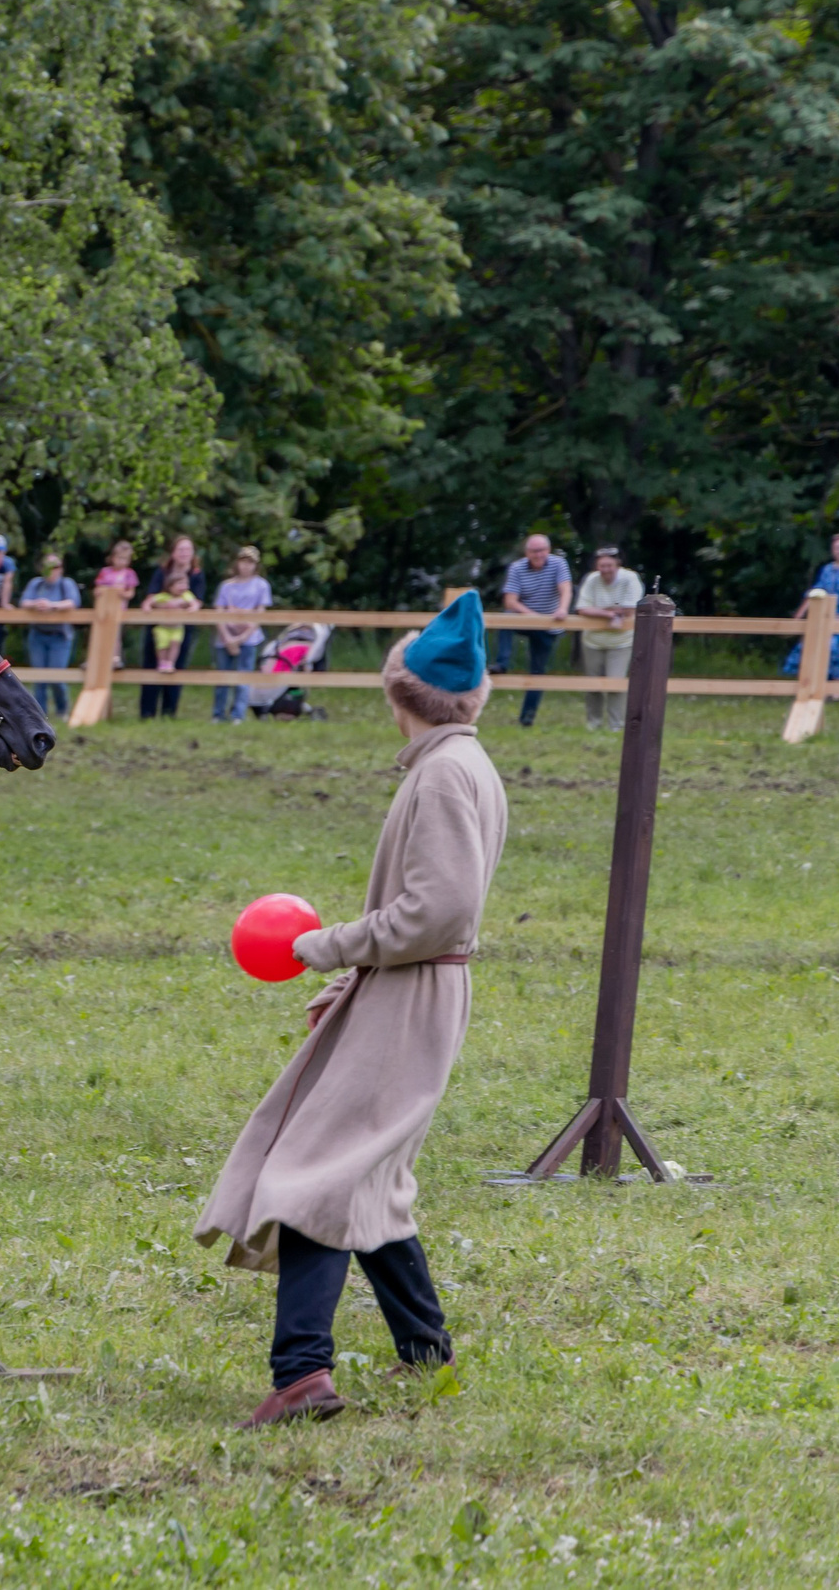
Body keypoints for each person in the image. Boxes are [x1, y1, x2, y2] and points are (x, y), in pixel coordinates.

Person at [196, 591, 507, 1428]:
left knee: (315, 1173)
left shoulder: (444, 772)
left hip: (418, 993)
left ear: (396, 693)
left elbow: (437, 910)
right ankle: (426, 1350)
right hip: (406, 989)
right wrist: (353, 982)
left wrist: (326, 946)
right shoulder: (459, 761)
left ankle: (301, 1372)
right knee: (368, 1169)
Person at [495, 533, 571, 727]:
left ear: (548, 550)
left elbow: (565, 589)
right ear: (527, 552)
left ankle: (527, 717)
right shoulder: (517, 567)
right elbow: (510, 601)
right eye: (534, 551)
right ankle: (502, 663)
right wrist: (531, 616)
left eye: (542, 550)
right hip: (526, 617)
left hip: (549, 624)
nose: (538, 555)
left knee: (537, 671)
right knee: (505, 619)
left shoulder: (558, 564)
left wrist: (562, 609)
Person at [782, 533, 839, 685]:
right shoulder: (827, 570)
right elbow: (815, 593)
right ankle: (809, 684)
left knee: (835, 647)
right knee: (806, 645)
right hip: (825, 617)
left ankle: (837, 686)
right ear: (832, 550)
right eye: (837, 548)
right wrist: (798, 616)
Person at [572, 546, 644, 731]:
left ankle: (616, 725)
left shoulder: (630, 579)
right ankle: (593, 723)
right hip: (592, 641)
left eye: (609, 565)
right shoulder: (591, 579)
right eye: (601, 565)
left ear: (617, 564)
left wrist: (599, 611)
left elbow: (630, 610)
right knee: (592, 685)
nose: (605, 569)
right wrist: (611, 613)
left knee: (615, 683)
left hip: (621, 641)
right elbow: (582, 609)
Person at [140, 535, 207, 718]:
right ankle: (147, 713)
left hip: (181, 628)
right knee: (151, 666)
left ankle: (169, 713)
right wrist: (169, 605)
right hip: (158, 626)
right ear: (173, 552)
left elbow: (197, 602)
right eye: (181, 549)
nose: (184, 553)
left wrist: (182, 606)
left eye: (188, 550)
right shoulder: (162, 572)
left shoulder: (196, 574)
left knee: (176, 666)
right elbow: (150, 599)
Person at [211, 547, 273, 724]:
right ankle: (218, 713)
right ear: (236, 563)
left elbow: (259, 615)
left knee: (243, 677)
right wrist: (227, 638)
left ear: (256, 565)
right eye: (243, 561)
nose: (246, 566)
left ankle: (238, 714)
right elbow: (219, 613)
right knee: (222, 677)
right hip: (224, 637)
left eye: (250, 562)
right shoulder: (226, 586)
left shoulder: (261, 585)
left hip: (249, 638)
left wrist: (241, 638)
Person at [18, 551, 80, 717]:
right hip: (37, 635)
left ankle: (62, 710)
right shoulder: (36, 584)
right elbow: (24, 602)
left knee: (57, 678)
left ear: (61, 569)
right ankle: (40, 714)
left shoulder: (66, 584)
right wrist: (36, 604)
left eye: (56, 567)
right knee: (39, 678)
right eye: (48, 567)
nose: (52, 570)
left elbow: (72, 603)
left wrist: (51, 605)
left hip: (60, 636)